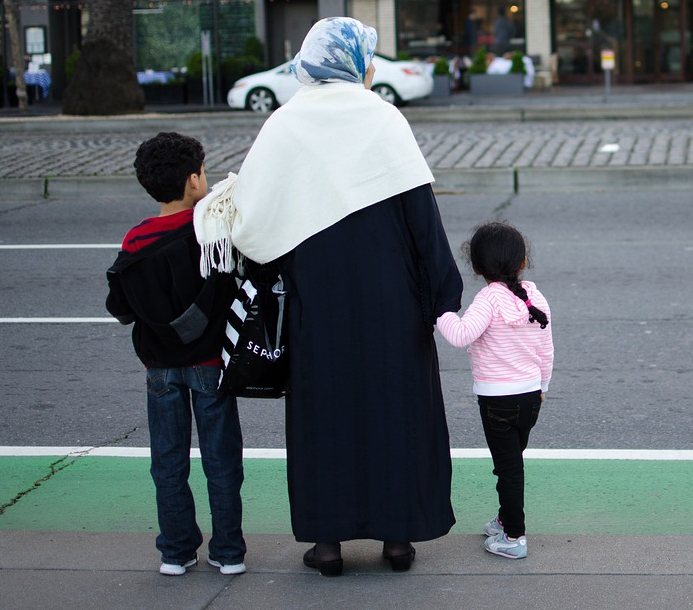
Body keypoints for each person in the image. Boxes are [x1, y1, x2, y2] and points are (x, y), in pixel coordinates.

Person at [222, 17, 463, 576]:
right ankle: (399, 540)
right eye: (370, 57)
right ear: (354, 63)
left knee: (323, 417)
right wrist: (440, 298)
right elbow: (422, 219)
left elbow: (254, 224)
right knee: (397, 413)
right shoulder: (383, 118)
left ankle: (328, 544)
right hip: (392, 301)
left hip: (317, 301)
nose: (374, 67)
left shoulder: (285, 124)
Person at [105, 132, 246, 577]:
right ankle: (228, 552)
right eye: (203, 171)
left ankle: (176, 551)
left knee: (167, 460)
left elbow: (120, 307)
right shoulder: (211, 233)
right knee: (221, 461)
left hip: (159, 368)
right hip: (210, 364)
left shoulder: (135, 240)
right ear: (192, 181)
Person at [436, 222, 554, 559]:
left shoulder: (488, 299)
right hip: (532, 397)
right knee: (511, 463)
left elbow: (460, 335)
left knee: (508, 468)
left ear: (476, 267)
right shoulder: (535, 295)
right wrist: (543, 385)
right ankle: (505, 518)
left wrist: (439, 311)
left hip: (497, 400)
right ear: (523, 261)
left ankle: (514, 537)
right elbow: (546, 349)